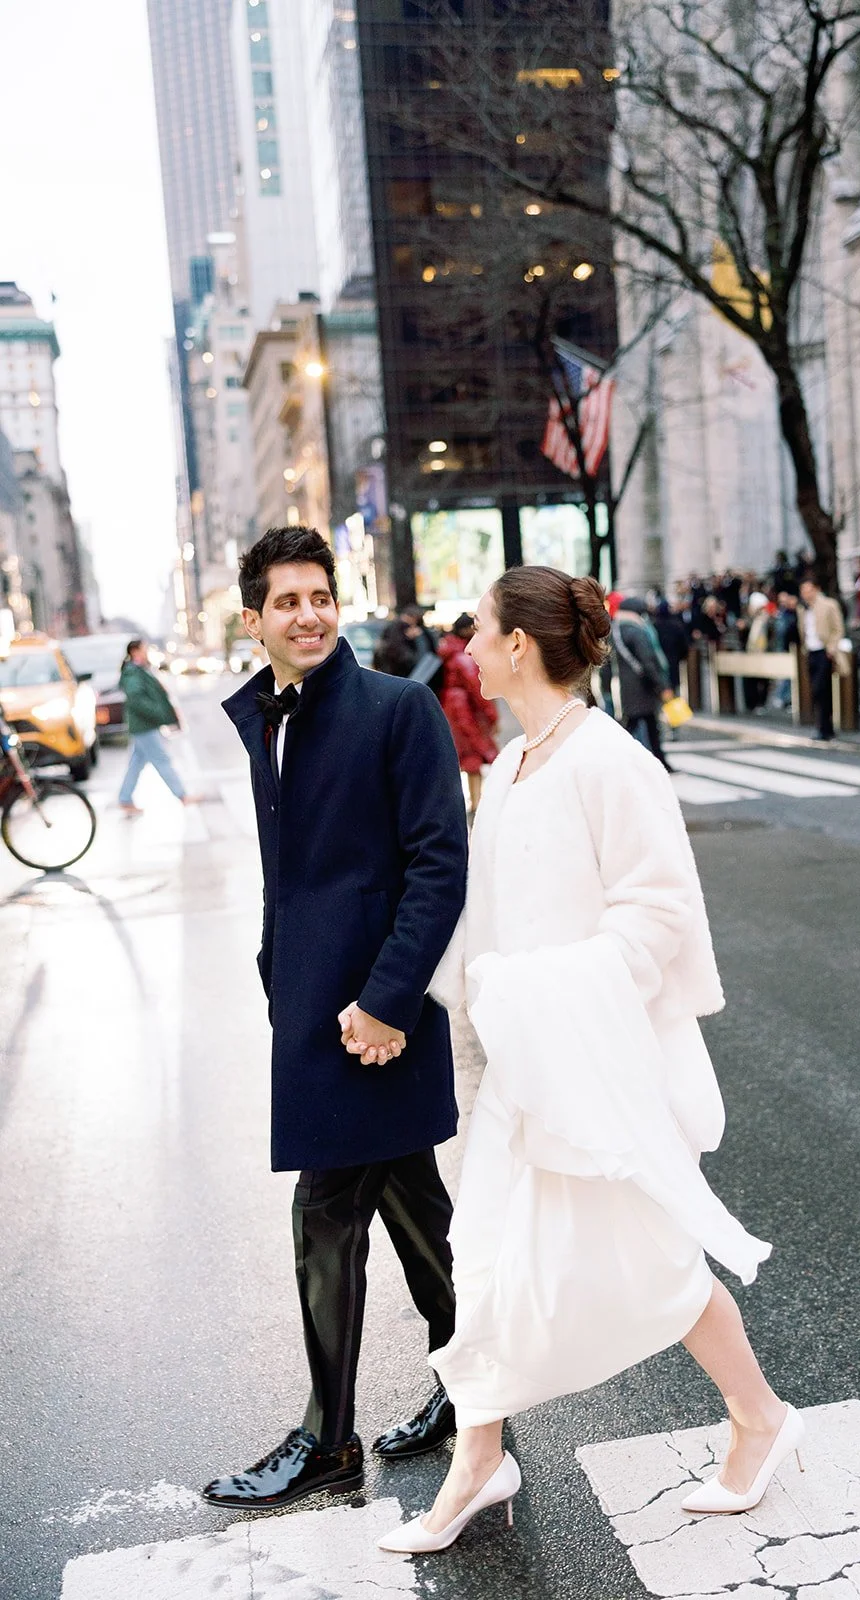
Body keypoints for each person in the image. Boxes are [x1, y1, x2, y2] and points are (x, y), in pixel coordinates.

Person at [378, 566, 796, 1556]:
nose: (466, 645)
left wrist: (538, 990)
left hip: (597, 1063)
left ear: (518, 644)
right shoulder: (519, 761)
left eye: (477, 629)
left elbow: (653, 917)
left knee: (655, 1262)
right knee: (480, 1260)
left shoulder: (610, 762)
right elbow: (487, 912)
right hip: (526, 1066)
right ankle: (479, 1458)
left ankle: (760, 1417)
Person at [204, 525, 468, 1510]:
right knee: (416, 1215)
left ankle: (328, 1438)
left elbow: (439, 862)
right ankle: (475, 1389)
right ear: (255, 618)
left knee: (324, 1214)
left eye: (320, 595)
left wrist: (388, 1002)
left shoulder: (398, 709)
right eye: (287, 601)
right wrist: (281, 978)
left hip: (379, 1020)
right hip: (315, 1014)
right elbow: (297, 878)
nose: (308, 614)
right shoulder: (270, 719)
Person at [117, 639, 200, 815]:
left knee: (136, 763)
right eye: (144, 649)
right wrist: (158, 713)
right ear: (134, 651)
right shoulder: (133, 672)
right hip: (144, 726)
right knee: (162, 760)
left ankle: (124, 799)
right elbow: (136, 699)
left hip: (144, 725)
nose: (147, 652)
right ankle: (182, 795)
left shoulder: (138, 669)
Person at [438, 613, 498, 813]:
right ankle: (476, 801)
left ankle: (472, 800)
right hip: (465, 710)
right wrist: (491, 715)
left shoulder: (448, 650)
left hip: (450, 707)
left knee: (461, 755)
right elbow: (476, 686)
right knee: (472, 756)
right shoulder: (463, 656)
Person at [612, 596, 673, 769]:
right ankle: (659, 763)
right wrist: (662, 686)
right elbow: (648, 660)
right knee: (645, 727)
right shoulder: (636, 631)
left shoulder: (616, 631)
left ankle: (660, 761)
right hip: (643, 687)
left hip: (628, 686)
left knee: (639, 725)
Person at [798, 578, 845, 741]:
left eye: (808, 590)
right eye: (803, 591)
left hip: (824, 652)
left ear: (816, 589)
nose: (805, 594)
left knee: (821, 689)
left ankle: (824, 727)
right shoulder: (803, 609)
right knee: (817, 691)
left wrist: (832, 647)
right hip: (811, 651)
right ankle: (825, 727)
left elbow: (838, 628)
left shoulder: (828, 605)